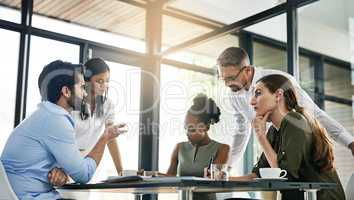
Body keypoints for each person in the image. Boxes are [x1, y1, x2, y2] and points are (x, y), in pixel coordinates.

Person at [0, 60, 123, 199]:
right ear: (66, 91)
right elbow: (84, 174)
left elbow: (52, 156)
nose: (84, 94)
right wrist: (104, 138)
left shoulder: (46, 114)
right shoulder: (57, 120)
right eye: (82, 87)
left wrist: (61, 171)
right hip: (29, 196)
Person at [217, 47, 354, 165]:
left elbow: (315, 114)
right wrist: (227, 166)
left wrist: (350, 142)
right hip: (271, 155)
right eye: (223, 79)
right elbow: (241, 131)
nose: (227, 84)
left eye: (231, 78)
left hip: (299, 152)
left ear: (247, 70)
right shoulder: (233, 95)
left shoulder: (279, 80)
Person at [231, 74, 345, 200]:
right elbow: (257, 174)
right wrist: (224, 178)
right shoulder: (274, 131)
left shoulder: (295, 122)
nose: (252, 101)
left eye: (258, 93)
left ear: (278, 95)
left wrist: (261, 137)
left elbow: (284, 175)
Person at [166, 94, 230, 200]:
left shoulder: (222, 149)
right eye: (186, 128)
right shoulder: (179, 147)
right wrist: (149, 175)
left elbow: (215, 181)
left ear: (206, 127)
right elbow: (168, 179)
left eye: (192, 129)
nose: (187, 133)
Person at [72, 58, 123, 175]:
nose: (104, 85)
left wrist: (121, 172)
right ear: (87, 80)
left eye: (106, 81)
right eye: (99, 81)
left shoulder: (107, 104)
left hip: (87, 167)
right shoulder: (73, 103)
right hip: (64, 165)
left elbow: (110, 139)